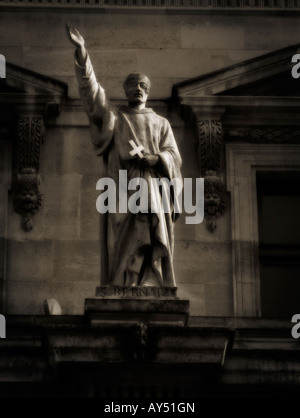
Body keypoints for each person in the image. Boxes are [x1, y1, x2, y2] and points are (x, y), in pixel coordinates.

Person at [66, 23, 182, 288]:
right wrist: (83, 54)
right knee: (123, 243)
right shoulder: (115, 119)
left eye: (143, 84)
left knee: (150, 232)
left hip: (151, 188)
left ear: (148, 91)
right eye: (133, 84)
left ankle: (149, 281)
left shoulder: (161, 123)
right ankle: (125, 282)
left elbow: (174, 155)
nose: (138, 88)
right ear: (127, 90)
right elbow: (92, 94)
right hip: (121, 194)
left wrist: (157, 159)